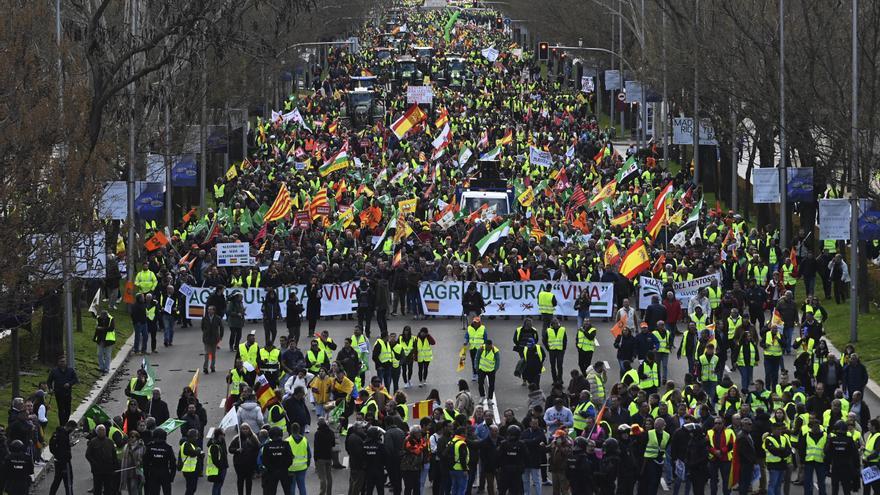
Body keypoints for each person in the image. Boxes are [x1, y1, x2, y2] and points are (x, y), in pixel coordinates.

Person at [638, 417, 670, 495]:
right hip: (648, 461)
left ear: (663, 426)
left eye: (659, 425)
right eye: (656, 424)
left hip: (659, 462)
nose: (657, 426)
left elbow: (664, 448)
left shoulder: (667, 435)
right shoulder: (648, 433)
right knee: (647, 482)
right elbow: (641, 447)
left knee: (655, 483)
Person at [826, 420, 859, 495]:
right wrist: (856, 468)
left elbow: (827, 454)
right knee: (846, 489)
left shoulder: (832, 440)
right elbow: (855, 455)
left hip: (835, 467)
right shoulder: (850, 440)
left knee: (835, 489)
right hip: (846, 468)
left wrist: (827, 468)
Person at [86, 424, 118, 495]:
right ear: (97, 432)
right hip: (97, 470)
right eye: (100, 430)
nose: (102, 432)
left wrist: (114, 466)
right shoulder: (93, 442)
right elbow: (88, 455)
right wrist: (94, 463)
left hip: (108, 470)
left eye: (103, 430)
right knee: (97, 489)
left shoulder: (110, 442)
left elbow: (114, 455)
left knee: (108, 489)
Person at [229, 422, 260, 495]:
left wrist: (251, 447)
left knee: (249, 480)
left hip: (250, 464)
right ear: (240, 430)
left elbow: (258, 447)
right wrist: (237, 450)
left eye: (246, 429)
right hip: (239, 464)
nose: (245, 430)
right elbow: (230, 449)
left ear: (249, 429)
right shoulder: (237, 438)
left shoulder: (253, 438)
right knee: (240, 480)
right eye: (243, 429)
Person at [143, 428, 176, 495]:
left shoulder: (149, 446)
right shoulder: (168, 448)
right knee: (167, 492)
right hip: (165, 472)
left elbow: (145, 462)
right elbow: (173, 463)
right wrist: (172, 476)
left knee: (154, 492)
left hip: (153, 473)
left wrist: (146, 475)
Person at [46, 356, 78, 425]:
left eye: (63, 361)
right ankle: (62, 424)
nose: (62, 363)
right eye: (61, 361)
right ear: (58, 362)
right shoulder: (54, 371)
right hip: (58, 393)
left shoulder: (70, 370)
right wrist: (50, 389)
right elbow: (49, 381)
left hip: (67, 393)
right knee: (61, 409)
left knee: (67, 410)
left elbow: (75, 379)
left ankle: (65, 422)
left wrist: (69, 384)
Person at [261, 426, 293, 495]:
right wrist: (285, 467)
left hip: (271, 472)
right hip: (284, 471)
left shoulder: (267, 446)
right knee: (287, 491)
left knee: (271, 492)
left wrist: (270, 468)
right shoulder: (286, 444)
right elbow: (290, 458)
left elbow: (264, 460)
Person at [47, 420, 75, 495]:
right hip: (65, 463)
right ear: (70, 427)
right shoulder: (64, 436)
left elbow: (53, 447)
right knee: (68, 483)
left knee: (56, 481)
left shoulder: (56, 433)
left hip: (57, 461)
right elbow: (64, 449)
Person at [364, 425, 388, 495]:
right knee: (380, 489)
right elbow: (385, 458)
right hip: (379, 470)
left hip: (368, 470)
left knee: (369, 489)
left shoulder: (364, 444)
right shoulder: (380, 445)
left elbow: (362, 456)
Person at [121, 430, 146, 495]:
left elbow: (144, 458)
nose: (131, 438)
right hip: (127, 470)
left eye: (133, 437)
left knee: (133, 488)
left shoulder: (141, 446)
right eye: (130, 437)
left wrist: (140, 462)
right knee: (129, 488)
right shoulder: (126, 446)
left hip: (136, 471)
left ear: (137, 438)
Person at [287, 422, 311, 495]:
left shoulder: (287, 441)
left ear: (291, 430)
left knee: (291, 487)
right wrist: (307, 464)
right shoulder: (304, 440)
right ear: (299, 430)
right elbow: (309, 454)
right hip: (302, 467)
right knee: (302, 486)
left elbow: (285, 456)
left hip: (291, 468)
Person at [179, 428, 203, 495]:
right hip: (189, 470)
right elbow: (192, 453)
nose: (197, 438)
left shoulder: (192, 444)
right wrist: (198, 450)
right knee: (190, 489)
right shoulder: (186, 445)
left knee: (192, 488)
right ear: (191, 437)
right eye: (196, 436)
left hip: (193, 470)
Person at [543, 317, 567, 384]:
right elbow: (544, 340)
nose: (556, 325)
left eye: (557, 323)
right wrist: (548, 348)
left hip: (560, 350)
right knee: (553, 366)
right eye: (555, 324)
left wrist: (564, 348)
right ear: (552, 325)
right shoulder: (548, 330)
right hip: (552, 350)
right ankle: (554, 380)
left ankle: (560, 379)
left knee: (559, 365)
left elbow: (565, 340)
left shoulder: (562, 329)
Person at [201, 305, 224, 374]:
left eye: (211, 309)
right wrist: (205, 333)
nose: (209, 311)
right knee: (207, 353)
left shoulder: (217, 318)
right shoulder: (205, 318)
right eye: (208, 309)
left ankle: (212, 366)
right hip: (207, 338)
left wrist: (220, 336)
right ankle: (205, 367)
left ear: (214, 311)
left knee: (213, 354)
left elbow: (221, 327)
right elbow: (202, 327)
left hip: (214, 338)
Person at [207, 428, 229, 495]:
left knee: (219, 485)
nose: (224, 436)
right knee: (217, 485)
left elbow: (225, 452)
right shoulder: (214, 445)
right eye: (223, 434)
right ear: (219, 435)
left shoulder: (221, 441)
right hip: (218, 468)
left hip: (223, 466)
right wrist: (221, 467)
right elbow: (215, 460)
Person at [94, 309, 116, 374]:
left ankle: (107, 368)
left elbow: (111, 328)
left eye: (103, 317)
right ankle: (101, 367)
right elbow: (97, 328)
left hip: (108, 340)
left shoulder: (111, 319)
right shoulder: (98, 318)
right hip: (100, 339)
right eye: (101, 317)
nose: (102, 318)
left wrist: (102, 328)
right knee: (99, 354)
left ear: (106, 315)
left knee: (107, 355)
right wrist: (95, 337)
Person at [466, 316, 488, 381]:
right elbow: (467, 336)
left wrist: (485, 347)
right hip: (472, 348)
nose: (476, 323)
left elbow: (485, 338)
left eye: (477, 322)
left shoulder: (483, 328)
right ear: (473, 321)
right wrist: (465, 342)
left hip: (480, 348)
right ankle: (475, 374)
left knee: (480, 361)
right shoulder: (469, 328)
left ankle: (480, 373)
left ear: (479, 322)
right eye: (475, 322)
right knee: (473, 361)